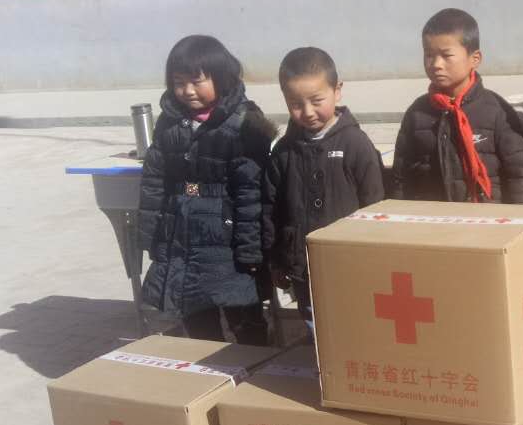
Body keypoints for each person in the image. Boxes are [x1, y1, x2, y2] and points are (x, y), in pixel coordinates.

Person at [138, 34, 275, 345]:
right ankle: (205, 365)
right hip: (182, 236)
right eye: (179, 82)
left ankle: (254, 363)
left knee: (243, 314)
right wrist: (150, 236)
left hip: (226, 241)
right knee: (195, 313)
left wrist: (250, 248)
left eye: (196, 81)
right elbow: (154, 181)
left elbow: (250, 193)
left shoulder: (243, 122)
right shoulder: (169, 123)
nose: (187, 91)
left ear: (221, 77)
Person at [262, 47, 385, 334]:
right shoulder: (283, 152)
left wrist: (376, 259)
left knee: (355, 327)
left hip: (350, 266)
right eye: (295, 104)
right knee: (316, 328)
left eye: (317, 101)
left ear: (337, 91)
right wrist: (276, 259)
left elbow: (376, 205)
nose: (307, 112)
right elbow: (271, 209)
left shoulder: (356, 145)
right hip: (303, 268)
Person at [392, 8, 523, 204]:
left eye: (446, 55)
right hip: (434, 218)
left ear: (475, 59)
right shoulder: (417, 113)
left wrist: (521, 216)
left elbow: (519, 177)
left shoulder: (497, 111)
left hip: (488, 218)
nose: (436, 64)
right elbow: (401, 178)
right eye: (429, 55)